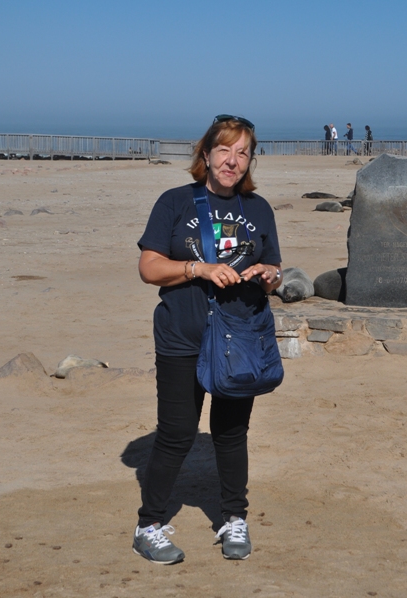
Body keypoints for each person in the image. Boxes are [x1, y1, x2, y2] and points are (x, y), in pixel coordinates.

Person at [134, 115, 283, 565]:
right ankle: (149, 524)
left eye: (242, 153)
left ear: (250, 161)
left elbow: (275, 271)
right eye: (224, 150)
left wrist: (268, 275)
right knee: (178, 433)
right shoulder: (175, 202)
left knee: (231, 432)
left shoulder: (258, 210)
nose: (232, 161)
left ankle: (233, 517)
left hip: (240, 338)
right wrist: (196, 268)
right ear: (206, 154)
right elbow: (148, 267)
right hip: (182, 336)